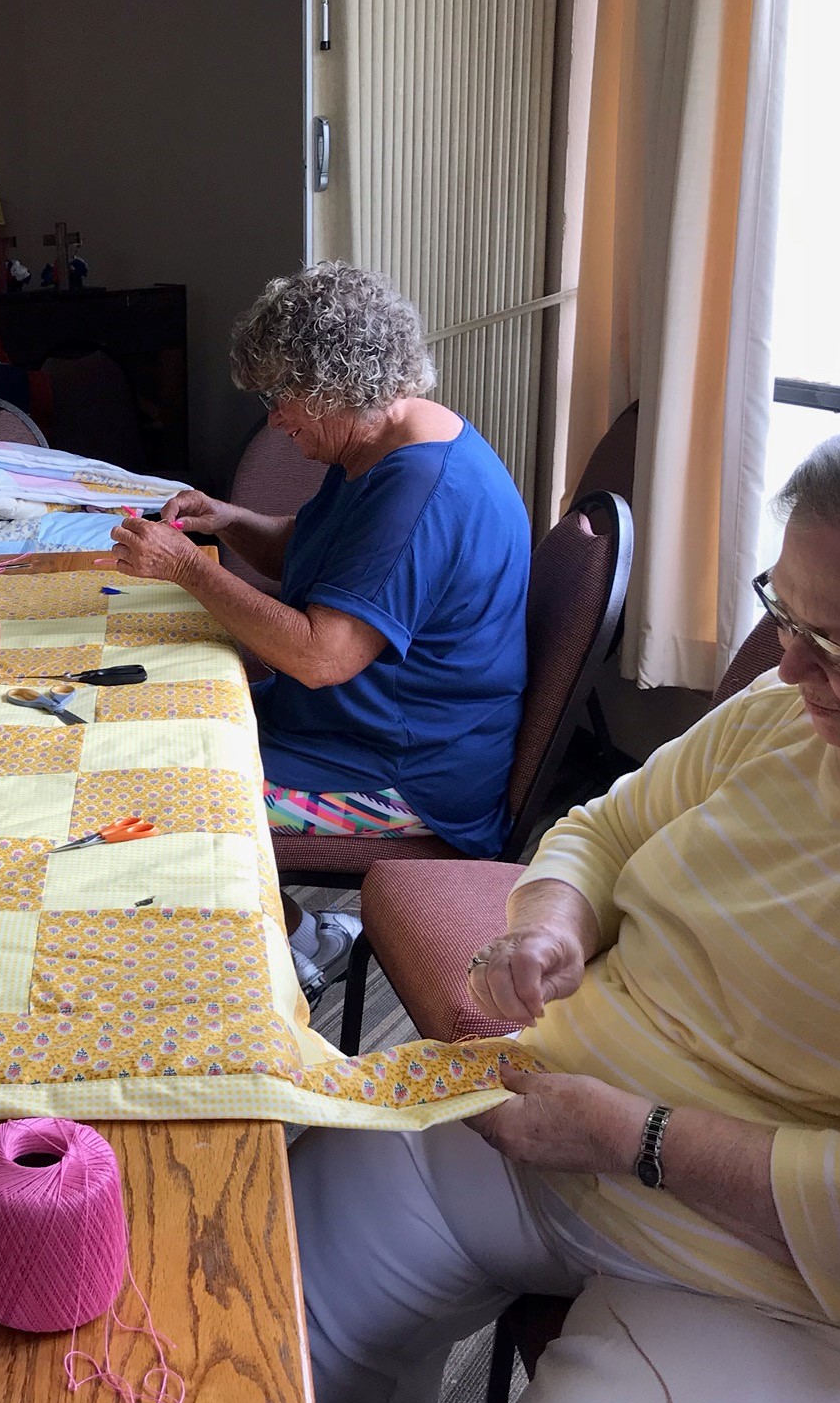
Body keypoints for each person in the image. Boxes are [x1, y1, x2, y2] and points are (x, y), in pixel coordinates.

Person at [289, 390, 840, 1403]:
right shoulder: (792, 709)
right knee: (275, 1291)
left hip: (812, 1291)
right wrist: (551, 919)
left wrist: (634, 1139)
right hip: (578, 1127)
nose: (789, 671)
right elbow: (602, 826)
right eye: (782, 611)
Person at [109, 264, 530, 993]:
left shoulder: (417, 492)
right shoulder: (383, 443)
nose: (276, 418)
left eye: (283, 396)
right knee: (155, 730)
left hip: (403, 777)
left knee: (162, 793)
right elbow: (322, 556)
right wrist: (231, 523)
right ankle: (308, 942)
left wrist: (191, 570)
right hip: (351, 732)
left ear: (342, 385)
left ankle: (262, 988)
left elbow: (319, 656)